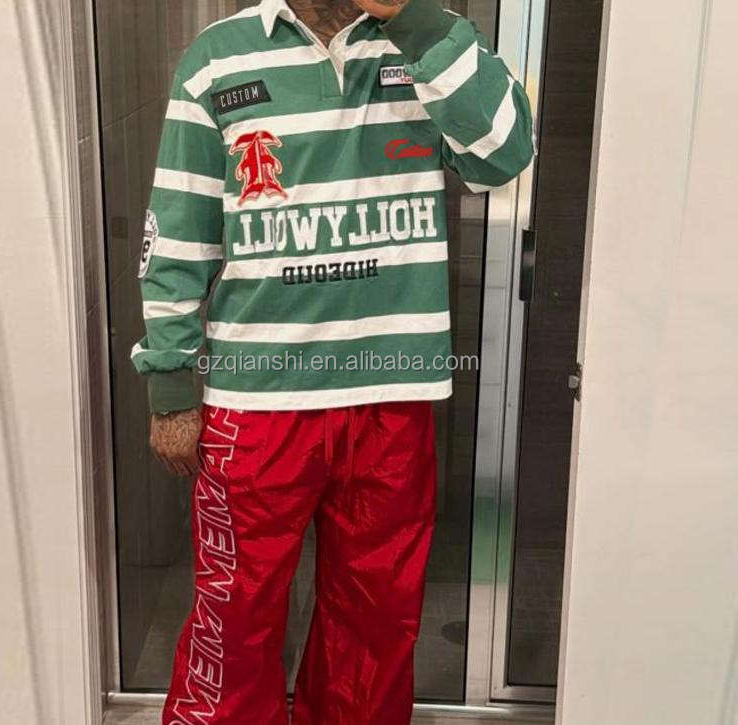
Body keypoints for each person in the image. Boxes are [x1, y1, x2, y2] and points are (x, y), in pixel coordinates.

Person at [131, 0, 534, 722]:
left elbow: (503, 154)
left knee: (377, 614)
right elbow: (180, 233)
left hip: (391, 394)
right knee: (233, 611)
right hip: (256, 401)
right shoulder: (218, 57)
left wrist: (411, 19)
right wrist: (170, 384)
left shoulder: (434, 38)